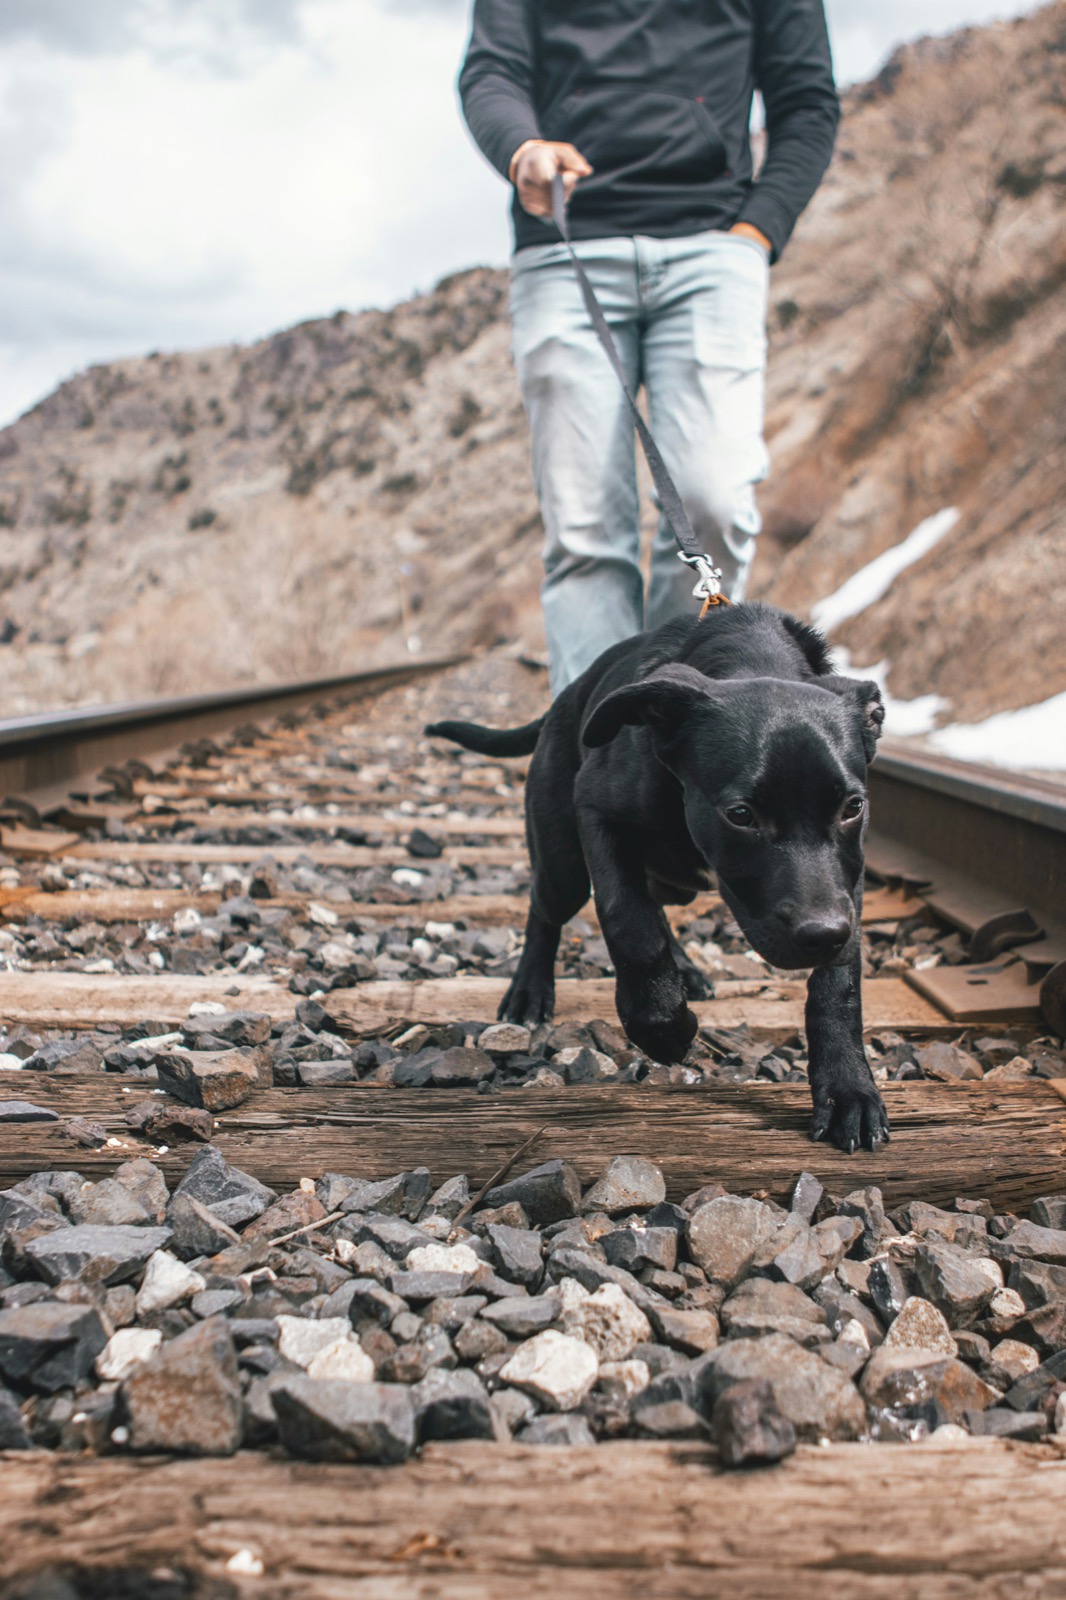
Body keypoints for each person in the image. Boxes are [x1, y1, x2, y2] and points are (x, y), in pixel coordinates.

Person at [459, 0, 840, 693]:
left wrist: (758, 230)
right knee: (584, 535)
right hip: (566, 247)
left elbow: (807, 101)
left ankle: (672, 711)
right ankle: (599, 756)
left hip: (713, 251)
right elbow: (492, 73)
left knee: (714, 505)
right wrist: (522, 148)